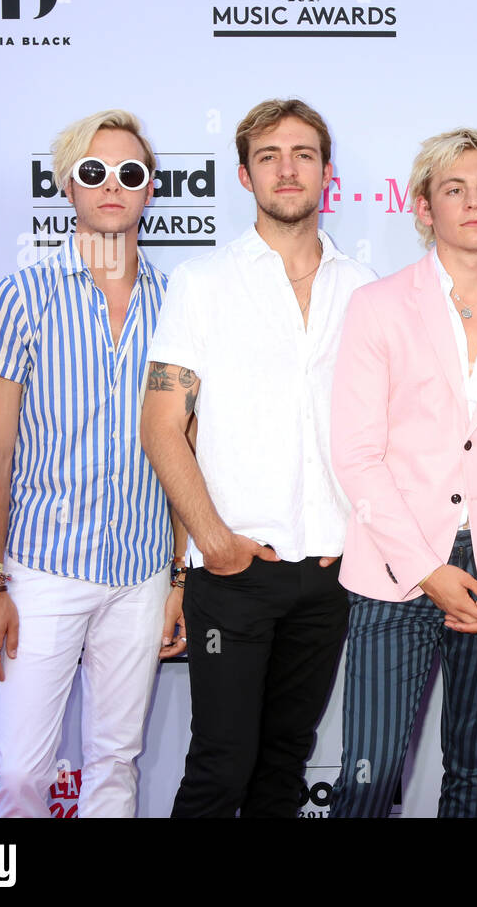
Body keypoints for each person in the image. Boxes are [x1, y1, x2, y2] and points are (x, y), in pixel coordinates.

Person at [141, 98, 375, 817]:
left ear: (327, 173)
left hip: (331, 576)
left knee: (283, 766)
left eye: (303, 153)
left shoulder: (364, 288)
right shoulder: (202, 283)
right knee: (221, 768)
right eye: (268, 156)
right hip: (237, 569)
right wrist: (212, 544)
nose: (286, 168)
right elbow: (160, 423)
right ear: (245, 175)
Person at [328, 128, 477, 818]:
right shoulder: (375, 308)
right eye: (454, 189)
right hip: (396, 573)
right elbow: (357, 457)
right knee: (366, 780)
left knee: (474, 775)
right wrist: (428, 569)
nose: (474, 202)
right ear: (423, 207)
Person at [0, 109, 185, 817]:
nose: (112, 186)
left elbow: (188, 445)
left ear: (150, 188)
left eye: (130, 172)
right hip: (44, 570)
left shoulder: (180, 304)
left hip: (143, 571)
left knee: (115, 765)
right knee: (23, 773)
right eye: (95, 172)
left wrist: (179, 575)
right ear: (68, 186)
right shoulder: (20, 297)